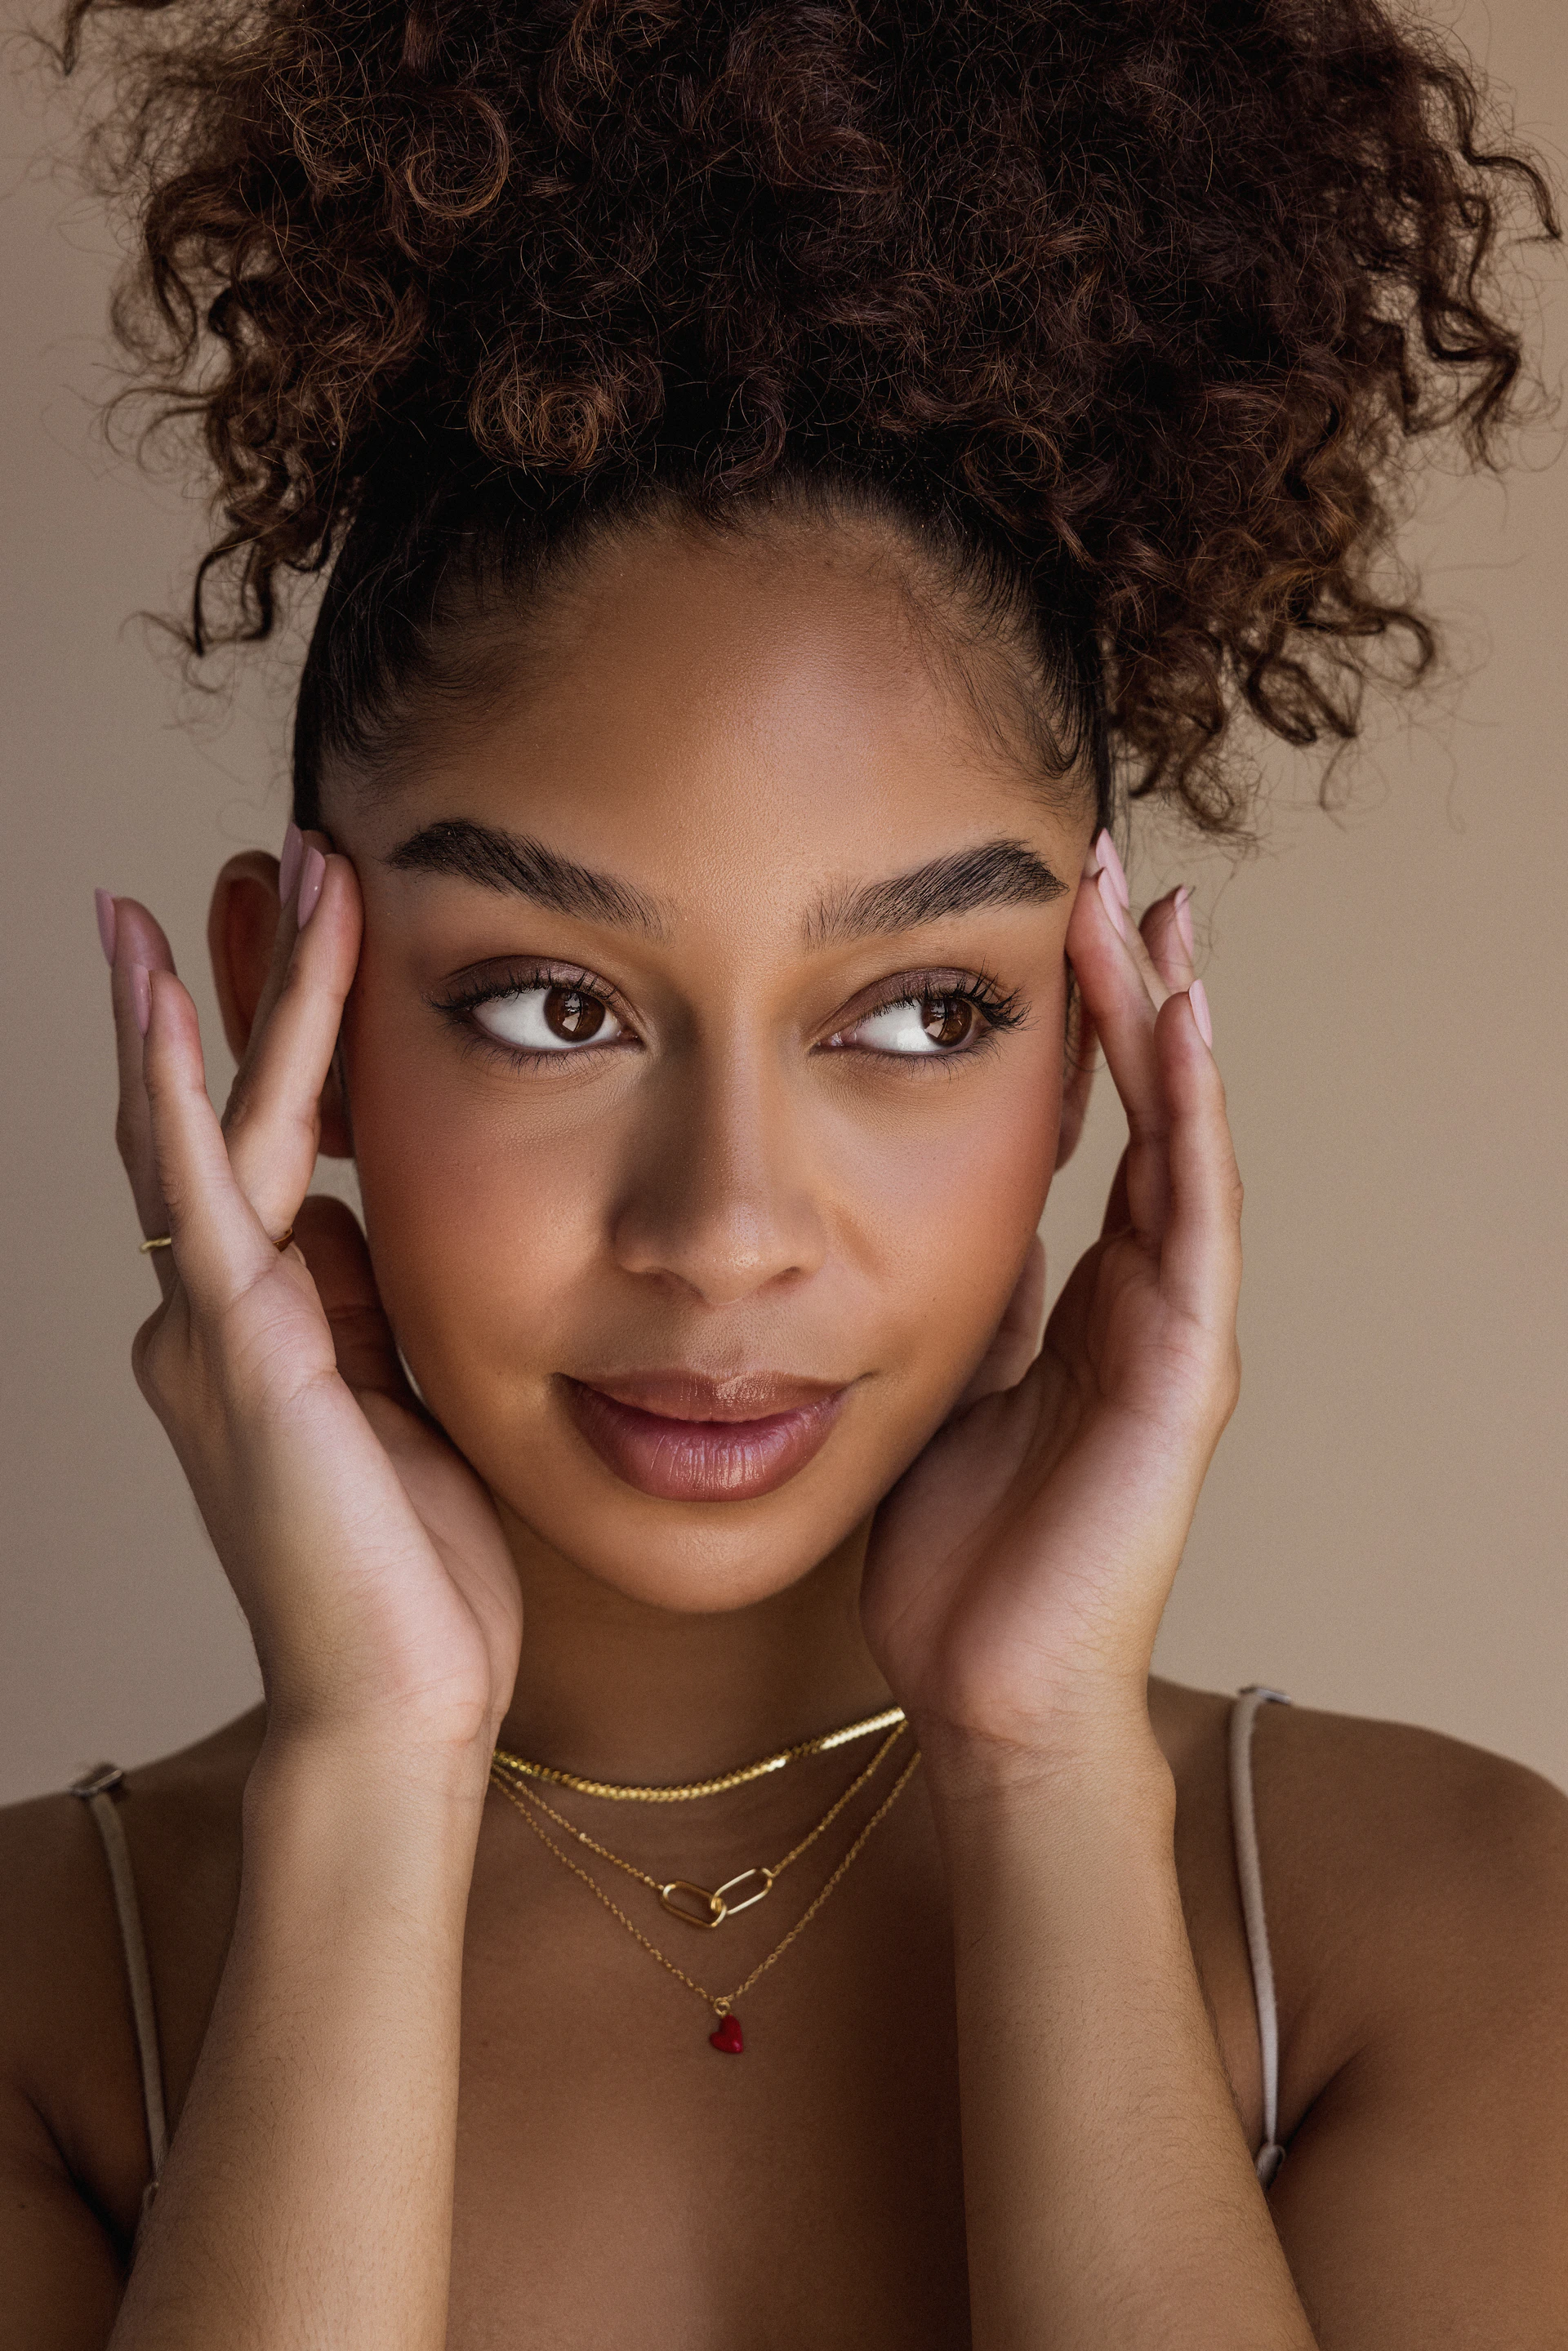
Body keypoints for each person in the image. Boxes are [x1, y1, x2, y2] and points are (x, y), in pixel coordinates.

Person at [4, 0, 1567, 2341]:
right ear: (289, 1018)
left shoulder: (1450, 1928)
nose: (726, 1221)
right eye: (554, 1003)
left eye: (921, 1013)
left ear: (1088, 1060)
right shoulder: (55, 2003)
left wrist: (1045, 1776)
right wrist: (367, 1779)